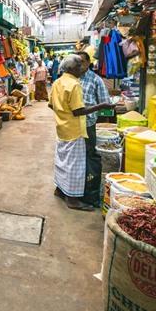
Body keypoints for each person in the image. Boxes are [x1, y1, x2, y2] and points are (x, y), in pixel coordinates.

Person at [49, 55, 115, 211]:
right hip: (75, 130)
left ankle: (60, 189)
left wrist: (63, 114)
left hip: (61, 128)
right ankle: (72, 199)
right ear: (72, 68)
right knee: (75, 166)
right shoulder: (74, 84)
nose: (83, 69)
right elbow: (79, 111)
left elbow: (51, 105)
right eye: (79, 66)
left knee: (62, 161)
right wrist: (102, 106)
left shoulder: (57, 82)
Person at [77, 51, 110, 206]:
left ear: (88, 62)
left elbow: (106, 103)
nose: (79, 65)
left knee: (89, 156)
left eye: (82, 61)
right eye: (76, 61)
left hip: (88, 125)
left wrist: (89, 111)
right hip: (72, 126)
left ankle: (89, 193)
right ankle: (73, 190)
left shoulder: (96, 80)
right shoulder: (71, 78)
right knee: (75, 157)